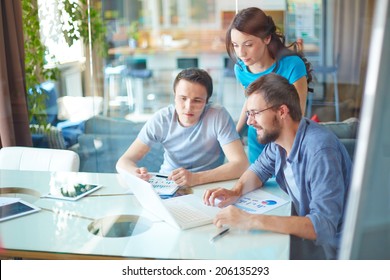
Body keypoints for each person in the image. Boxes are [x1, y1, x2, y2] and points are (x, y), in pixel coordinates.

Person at [204, 74, 352, 259]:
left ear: (282, 111)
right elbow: (258, 171)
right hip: (311, 242)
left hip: (338, 252)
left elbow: (323, 226)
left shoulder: (320, 151)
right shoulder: (279, 142)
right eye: (248, 114)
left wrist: (249, 220)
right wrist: (235, 192)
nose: (249, 122)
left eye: (255, 113)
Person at [116, 68, 249, 187]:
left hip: (206, 185)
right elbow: (124, 161)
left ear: (207, 101)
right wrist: (135, 173)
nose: (188, 107)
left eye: (197, 101)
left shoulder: (218, 116)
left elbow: (241, 165)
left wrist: (195, 178)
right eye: (183, 98)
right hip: (168, 183)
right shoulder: (161, 119)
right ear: (174, 96)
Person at [225, 7, 312, 163]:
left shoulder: (292, 65)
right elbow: (249, 104)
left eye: (248, 45)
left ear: (267, 38)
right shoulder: (241, 70)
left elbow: (297, 115)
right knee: (258, 186)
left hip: (287, 141)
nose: (241, 53)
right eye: (236, 45)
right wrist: (236, 135)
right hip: (257, 138)